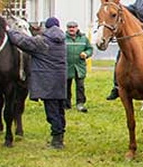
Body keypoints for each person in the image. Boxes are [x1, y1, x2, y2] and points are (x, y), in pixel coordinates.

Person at [8, 16, 69, 149]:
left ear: (46, 27)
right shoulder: (63, 41)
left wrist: (10, 31)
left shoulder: (43, 42)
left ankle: (57, 141)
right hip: (60, 82)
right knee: (59, 110)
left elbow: (22, 41)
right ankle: (59, 136)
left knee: (52, 113)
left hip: (48, 83)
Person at [64, 20, 93, 112]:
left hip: (79, 67)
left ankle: (80, 103)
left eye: (73, 27)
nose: (71, 29)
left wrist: (86, 53)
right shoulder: (63, 38)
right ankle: (66, 104)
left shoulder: (84, 38)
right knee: (66, 86)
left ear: (77, 28)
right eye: (70, 27)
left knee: (80, 86)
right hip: (67, 67)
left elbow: (90, 49)